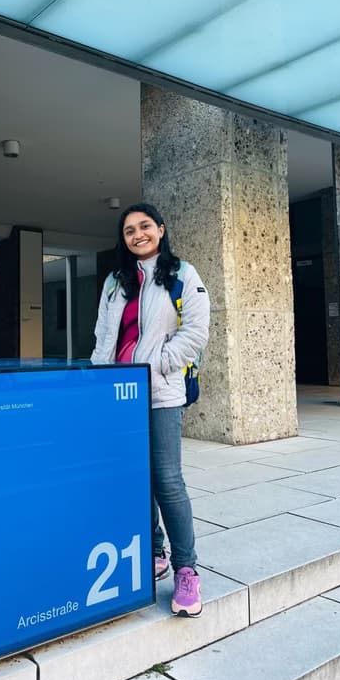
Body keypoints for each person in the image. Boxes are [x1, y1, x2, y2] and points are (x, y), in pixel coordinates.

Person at [91, 202, 210, 617]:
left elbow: (196, 332)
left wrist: (157, 363)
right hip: (117, 394)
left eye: (144, 226)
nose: (137, 234)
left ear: (160, 229)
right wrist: (98, 377)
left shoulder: (182, 274)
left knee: (167, 480)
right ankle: (154, 548)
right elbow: (103, 334)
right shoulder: (114, 280)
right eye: (129, 230)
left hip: (159, 393)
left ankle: (186, 570)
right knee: (133, 477)